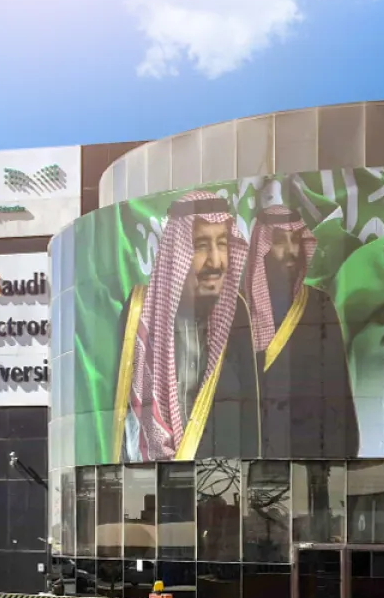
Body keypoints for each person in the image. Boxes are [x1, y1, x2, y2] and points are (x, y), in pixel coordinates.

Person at [112, 190, 259, 462]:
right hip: (153, 476)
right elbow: (126, 419)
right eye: (201, 245)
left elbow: (249, 419)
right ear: (176, 253)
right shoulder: (140, 313)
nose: (216, 262)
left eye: (222, 244)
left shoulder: (236, 313)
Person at [243, 177, 357, 458]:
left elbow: (337, 391)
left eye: (296, 240)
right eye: (280, 242)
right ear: (262, 248)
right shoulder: (238, 308)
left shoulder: (318, 304)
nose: (292, 252)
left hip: (309, 450)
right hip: (253, 452)